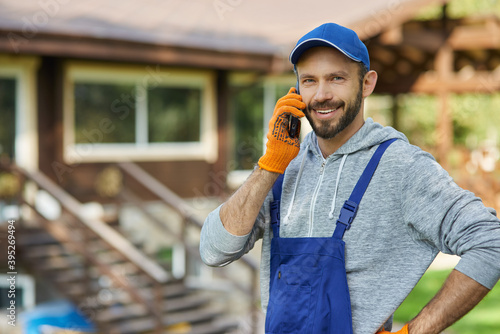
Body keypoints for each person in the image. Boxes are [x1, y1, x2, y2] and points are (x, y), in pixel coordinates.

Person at [200, 23, 500, 333]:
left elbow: (491, 242)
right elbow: (214, 251)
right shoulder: (283, 165)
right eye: (309, 81)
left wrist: (417, 330)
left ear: (367, 83)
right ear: (296, 89)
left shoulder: (402, 167)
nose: (322, 95)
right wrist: (269, 166)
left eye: (337, 78)